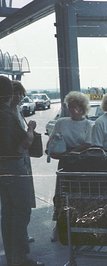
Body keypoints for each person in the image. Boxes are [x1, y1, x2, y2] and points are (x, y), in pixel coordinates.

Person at [0, 76, 44, 266]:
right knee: (21, 211)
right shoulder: (7, 114)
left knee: (8, 213)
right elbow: (23, 145)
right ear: (9, 93)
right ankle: (20, 259)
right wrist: (31, 129)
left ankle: (12, 259)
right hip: (14, 166)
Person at [47, 91, 93, 242]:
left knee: (81, 197)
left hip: (82, 164)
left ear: (83, 108)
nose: (72, 110)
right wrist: (53, 150)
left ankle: (82, 230)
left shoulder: (88, 124)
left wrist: (71, 152)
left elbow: (88, 144)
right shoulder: (61, 122)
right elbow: (53, 140)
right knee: (61, 196)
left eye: (76, 107)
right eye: (70, 107)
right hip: (65, 163)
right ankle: (58, 228)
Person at [11, 81, 37, 243]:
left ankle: (22, 234)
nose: (19, 96)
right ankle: (18, 237)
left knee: (24, 200)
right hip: (17, 159)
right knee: (19, 202)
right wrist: (31, 131)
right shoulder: (8, 114)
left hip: (24, 159)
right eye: (16, 93)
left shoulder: (18, 111)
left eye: (21, 93)